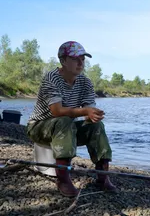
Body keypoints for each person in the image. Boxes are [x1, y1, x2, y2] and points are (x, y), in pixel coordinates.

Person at [26, 41, 117, 197]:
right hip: (39, 127)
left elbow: (88, 110)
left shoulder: (85, 82)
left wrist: (92, 114)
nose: (81, 63)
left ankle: (103, 176)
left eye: (83, 58)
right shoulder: (51, 78)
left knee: (96, 126)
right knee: (64, 120)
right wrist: (85, 111)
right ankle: (63, 179)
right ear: (63, 60)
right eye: (75, 59)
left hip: (65, 128)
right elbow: (57, 111)